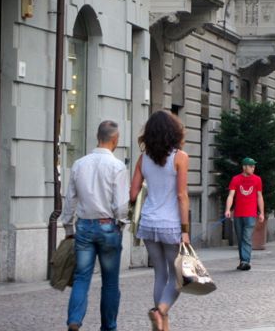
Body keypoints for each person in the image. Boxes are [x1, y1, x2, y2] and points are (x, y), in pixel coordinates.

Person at [61, 120, 130, 331]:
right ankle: (108, 327)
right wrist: (122, 222)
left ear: (97, 137)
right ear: (115, 139)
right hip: (108, 226)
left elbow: (70, 198)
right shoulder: (117, 166)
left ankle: (74, 320)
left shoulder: (79, 164)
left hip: (84, 227)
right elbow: (120, 204)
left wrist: (68, 227)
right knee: (110, 282)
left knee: (81, 277)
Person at [130, 110, 190, 331]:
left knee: (160, 274)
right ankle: (160, 311)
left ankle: (162, 325)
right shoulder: (180, 157)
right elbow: (181, 195)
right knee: (178, 278)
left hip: (148, 223)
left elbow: (133, 193)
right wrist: (185, 229)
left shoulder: (142, 159)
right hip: (171, 225)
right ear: (174, 132)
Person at [224, 157, 265, 271]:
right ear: (244, 167)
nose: (253, 168)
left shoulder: (257, 179)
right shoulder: (236, 179)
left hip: (251, 215)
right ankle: (243, 261)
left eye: (253, 166)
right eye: (251, 166)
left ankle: (246, 261)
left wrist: (261, 213)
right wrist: (228, 209)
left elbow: (259, 196)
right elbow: (231, 195)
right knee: (240, 238)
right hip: (238, 214)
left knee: (246, 237)